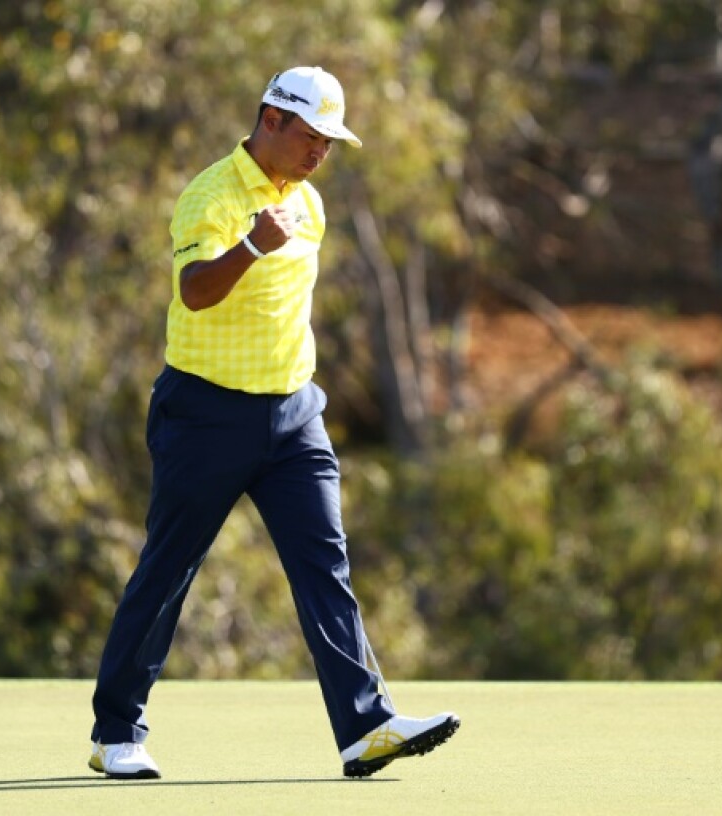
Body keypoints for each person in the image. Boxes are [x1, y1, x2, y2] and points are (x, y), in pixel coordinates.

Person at [87, 66, 459, 780]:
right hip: (205, 413)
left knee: (325, 566)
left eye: (330, 142)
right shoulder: (211, 196)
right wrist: (252, 245)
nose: (321, 153)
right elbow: (194, 293)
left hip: (292, 415)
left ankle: (364, 727)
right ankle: (115, 733)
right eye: (311, 136)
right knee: (169, 569)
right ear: (271, 119)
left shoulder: (310, 205)